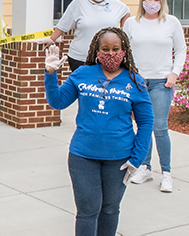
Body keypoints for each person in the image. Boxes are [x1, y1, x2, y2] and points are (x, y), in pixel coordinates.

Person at [44, 27, 153, 236]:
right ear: (97, 51)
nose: (110, 54)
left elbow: (146, 123)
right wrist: (50, 74)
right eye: (105, 49)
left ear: (124, 50)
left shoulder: (135, 81)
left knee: (110, 209)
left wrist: (137, 159)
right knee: (87, 211)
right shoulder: (83, 74)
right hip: (83, 156)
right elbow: (57, 102)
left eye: (115, 49)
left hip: (120, 159)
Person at [123, 0, 186, 192]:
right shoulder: (132, 23)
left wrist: (175, 72)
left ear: (162, 2)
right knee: (143, 127)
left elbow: (181, 49)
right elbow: (124, 50)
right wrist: (128, 75)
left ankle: (166, 173)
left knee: (159, 127)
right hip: (138, 82)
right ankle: (145, 167)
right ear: (143, 0)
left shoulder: (171, 23)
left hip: (162, 82)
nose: (152, 3)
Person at [46, 0, 130, 72]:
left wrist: (123, 32)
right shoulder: (80, 2)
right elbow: (64, 24)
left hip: (105, 58)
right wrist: (51, 39)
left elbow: (126, 11)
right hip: (80, 58)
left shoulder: (114, 4)